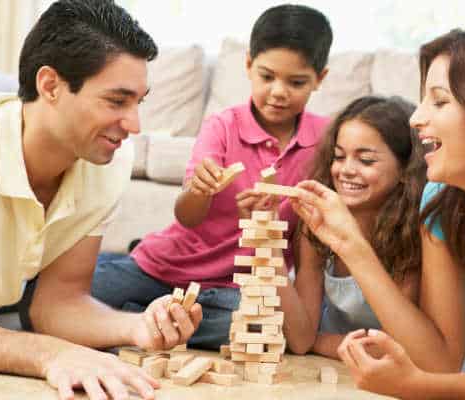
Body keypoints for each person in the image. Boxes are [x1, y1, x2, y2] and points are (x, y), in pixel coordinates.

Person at [291, 18, 465, 398]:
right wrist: (350, 245)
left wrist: (416, 386)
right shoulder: (442, 203)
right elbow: (439, 359)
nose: (416, 118)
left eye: (440, 101)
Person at [0, 1, 202, 399]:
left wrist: (137, 327)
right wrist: (48, 354)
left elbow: (57, 302)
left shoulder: (106, 163)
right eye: (116, 101)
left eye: (138, 102)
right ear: (50, 86)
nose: (134, 125)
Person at [91, 4, 333, 349]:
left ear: (320, 78)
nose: (279, 92)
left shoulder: (323, 141)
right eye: (267, 76)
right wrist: (199, 191)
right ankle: (147, 308)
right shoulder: (222, 126)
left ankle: (142, 315)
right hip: (166, 267)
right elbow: (187, 216)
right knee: (61, 299)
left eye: (296, 82)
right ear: (248, 65)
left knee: (258, 330)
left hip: (237, 289)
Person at [279, 96, 425, 358]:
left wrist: (320, 343)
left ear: (405, 170)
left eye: (366, 160)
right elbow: (301, 341)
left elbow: (401, 348)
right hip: (340, 352)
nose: (346, 170)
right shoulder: (316, 225)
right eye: (338, 156)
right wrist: (269, 251)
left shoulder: (411, 235)